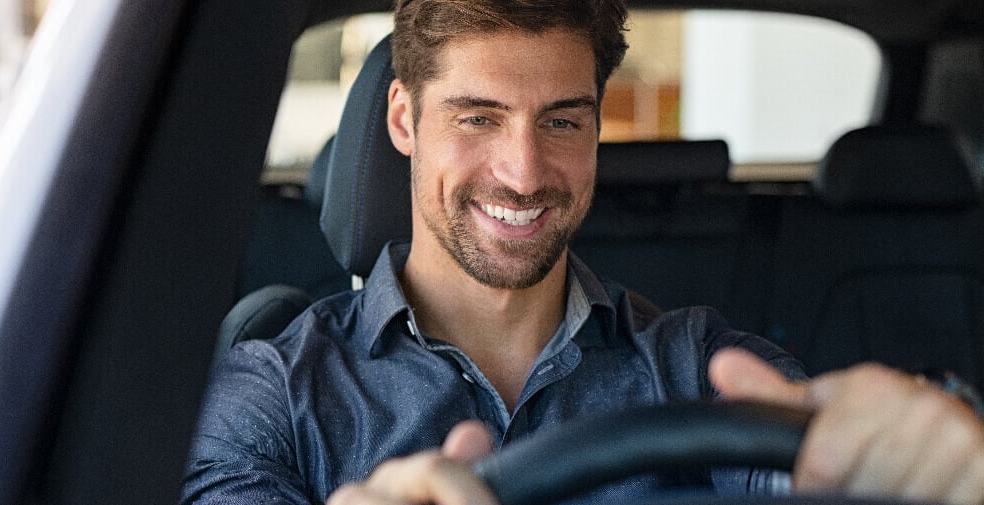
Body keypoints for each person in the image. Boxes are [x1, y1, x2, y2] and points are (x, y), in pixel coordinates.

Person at [183, 0, 984, 503]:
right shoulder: (271, 392)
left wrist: (925, 463)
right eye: (477, 118)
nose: (524, 172)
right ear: (402, 119)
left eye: (561, 120)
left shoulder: (695, 363)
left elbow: (815, 469)